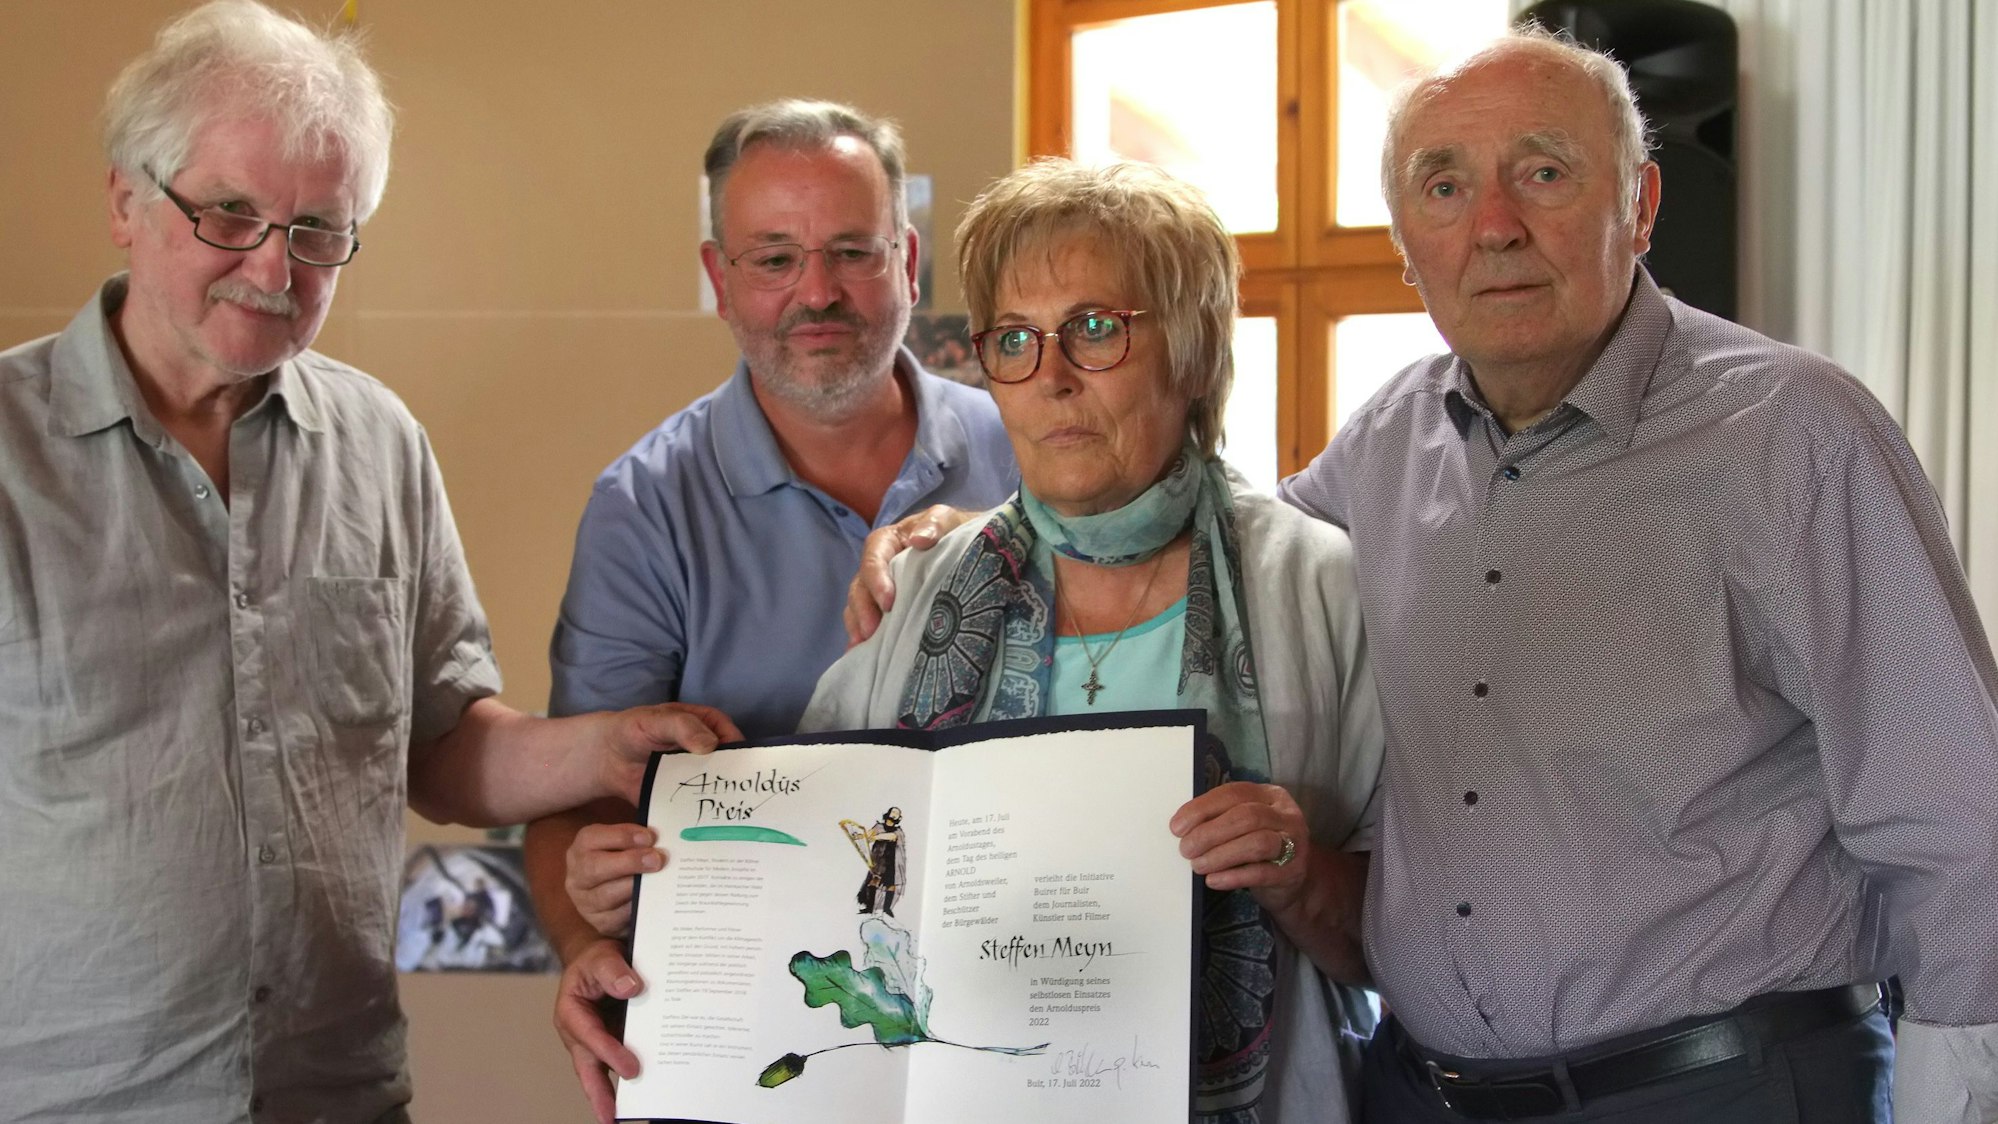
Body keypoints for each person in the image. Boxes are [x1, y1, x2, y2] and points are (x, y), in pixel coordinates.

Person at [849, 28, 1998, 1124]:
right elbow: (1208, 539)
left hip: (1716, 1086)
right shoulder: (1391, 440)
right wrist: (960, 534)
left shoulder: (1795, 433)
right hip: (1422, 1089)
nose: (1492, 224)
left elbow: (1955, 822)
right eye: (1444, 187)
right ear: (1407, 242)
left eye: (1543, 173)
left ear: (1640, 205)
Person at [0, 4, 735, 1122]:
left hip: (339, 1093)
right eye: (231, 213)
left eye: (316, 231)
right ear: (125, 200)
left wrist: (603, 745)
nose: (270, 266)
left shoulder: (380, 442)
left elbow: (439, 745)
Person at [789, 158, 1384, 1124]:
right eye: (1014, 340)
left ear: (1192, 355)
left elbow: (1425, 943)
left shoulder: (1319, 586)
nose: (1052, 378)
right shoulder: (928, 588)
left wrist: (1298, 868)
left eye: (1096, 330)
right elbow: (823, 870)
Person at [519, 99, 1016, 1121]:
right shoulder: (643, 507)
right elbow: (572, 799)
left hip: (1008, 1008)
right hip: (755, 1040)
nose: (818, 292)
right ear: (718, 280)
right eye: (774, 258)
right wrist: (581, 930)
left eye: (851, 251)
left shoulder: (1027, 451)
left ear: (909, 261)